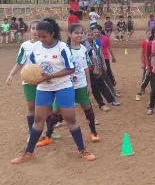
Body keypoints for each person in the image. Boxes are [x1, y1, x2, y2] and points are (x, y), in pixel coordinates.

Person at [10, 18, 96, 164]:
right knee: (38, 120)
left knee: (70, 119)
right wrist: (32, 77)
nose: (41, 39)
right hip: (44, 87)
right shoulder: (36, 47)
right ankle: (29, 152)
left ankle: (82, 150)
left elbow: (71, 69)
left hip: (63, 86)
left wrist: (51, 76)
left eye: (44, 36)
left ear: (52, 34)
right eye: (39, 36)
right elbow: (32, 67)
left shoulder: (62, 47)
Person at [37, 23, 100, 147]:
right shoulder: (64, 48)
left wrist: (89, 84)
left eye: (81, 33)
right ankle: (48, 136)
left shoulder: (83, 49)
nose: (79, 35)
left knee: (87, 107)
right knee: (57, 110)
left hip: (81, 84)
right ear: (70, 34)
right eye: (76, 33)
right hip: (65, 86)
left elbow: (86, 67)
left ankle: (93, 132)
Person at [6, 20, 40, 141]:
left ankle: (48, 131)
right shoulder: (25, 45)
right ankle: (31, 131)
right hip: (29, 81)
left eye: (38, 28)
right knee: (31, 107)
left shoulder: (46, 44)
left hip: (44, 81)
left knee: (45, 107)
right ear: (30, 30)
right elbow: (20, 62)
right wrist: (11, 74)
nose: (36, 31)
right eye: (33, 28)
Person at [84, 28, 119, 110]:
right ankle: (95, 104)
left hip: (98, 66)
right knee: (92, 86)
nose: (90, 36)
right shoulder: (84, 45)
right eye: (88, 35)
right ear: (85, 36)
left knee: (102, 84)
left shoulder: (98, 41)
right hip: (89, 68)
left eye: (91, 35)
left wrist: (103, 63)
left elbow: (100, 52)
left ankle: (111, 100)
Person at [136, 30, 151, 101]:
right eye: (149, 33)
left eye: (151, 33)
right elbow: (141, 52)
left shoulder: (154, 42)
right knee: (145, 76)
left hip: (152, 62)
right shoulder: (144, 42)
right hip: (146, 62)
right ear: (146, 34)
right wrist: (142, 62)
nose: (150, 35)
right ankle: (142, 88)